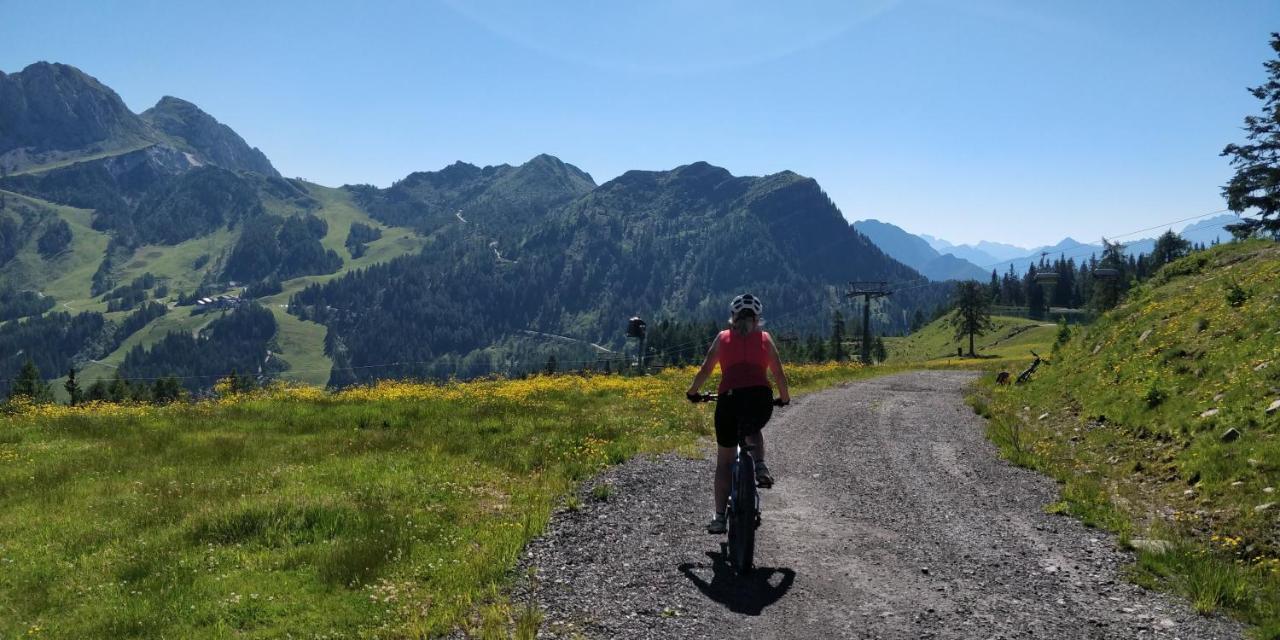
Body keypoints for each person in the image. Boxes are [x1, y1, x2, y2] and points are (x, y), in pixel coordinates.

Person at [686, 293, 790, 535]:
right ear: (757, 319)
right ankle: (761, 465)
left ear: (733, 317)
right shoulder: (765, 338)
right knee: (754, 428)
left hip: (729, 401)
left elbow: (705, 369)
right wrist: (784, 398)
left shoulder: (723, 338)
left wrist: (692, 392)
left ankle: (720, 517)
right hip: (760, 400)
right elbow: (779, 373)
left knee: (724, 462)